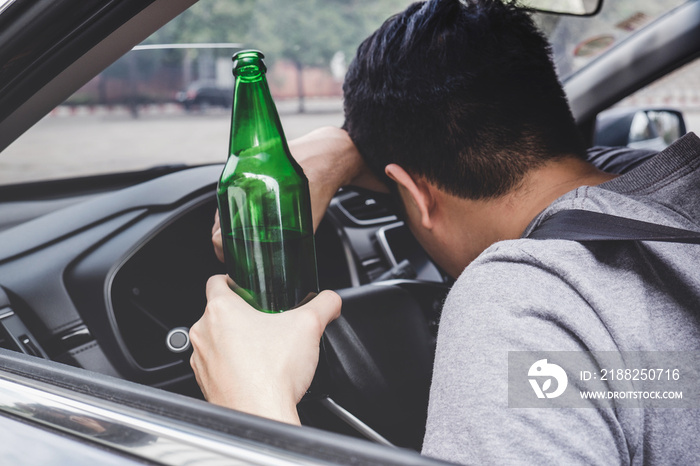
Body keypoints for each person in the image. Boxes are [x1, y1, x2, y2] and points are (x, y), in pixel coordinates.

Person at [189, 0, 700, 464]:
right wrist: (342, 149)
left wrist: (254, 402)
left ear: (414, 194)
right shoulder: (673, 180)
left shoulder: (519, 303)